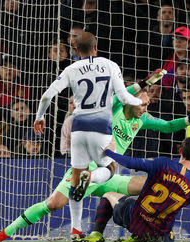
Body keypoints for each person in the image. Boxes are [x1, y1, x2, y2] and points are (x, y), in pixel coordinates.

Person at [0, 70, 190, 242]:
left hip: (110, 173)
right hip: (87, 165)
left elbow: (169, 126)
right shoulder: (111, 108)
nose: (145, 107)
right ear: (130, 100)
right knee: (53, 204)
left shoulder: (141, 119)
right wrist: (144, 82)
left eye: (147, 104)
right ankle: (3, 234)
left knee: (151, 185)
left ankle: (142, 231)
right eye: (143, 103)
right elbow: (124, 93)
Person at [34, 31, 147, 205]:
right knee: (109, 167)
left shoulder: (71, 69)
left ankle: (75, 229)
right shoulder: (110, 65)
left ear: (76, 49)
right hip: (101, 128)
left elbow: (46, 96)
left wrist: (39, 116)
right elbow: (124, 98)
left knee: (75, 180)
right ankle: (92, 177)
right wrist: (140, 101)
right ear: (96, 47)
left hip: (78, 128)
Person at [75, 136, 190, 242]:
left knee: (108, 195)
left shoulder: (162, 164)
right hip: (159, 235)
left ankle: (96, 235)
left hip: (135, 220)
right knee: (170, 233)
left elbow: (130, 162)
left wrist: (109, 152)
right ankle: (143, 238)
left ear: (180, 150)